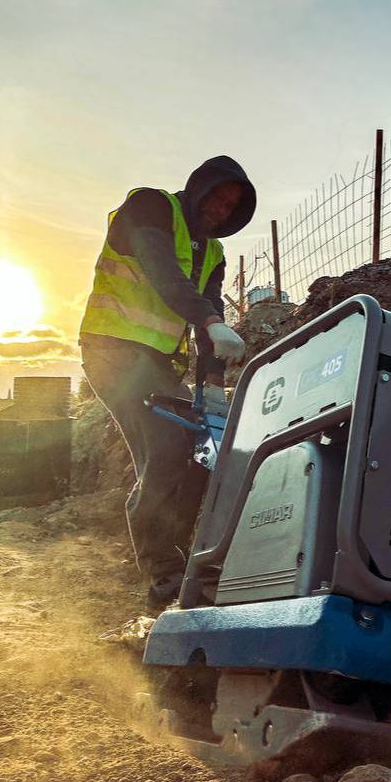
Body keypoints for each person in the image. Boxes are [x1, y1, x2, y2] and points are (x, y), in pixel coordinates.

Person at [79, 156, 256, 609]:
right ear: (200, 187)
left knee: (197, 451)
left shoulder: (213, 253)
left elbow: (210, 316)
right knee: (166, 447)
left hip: (158, 364)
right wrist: (210, 320)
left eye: (230, 206)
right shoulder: (151, 207)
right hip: (113, 348)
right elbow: (163, 272)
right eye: (217, 197)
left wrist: (212, 382)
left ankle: (182, 560)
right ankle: (164, 576)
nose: (220, 209)